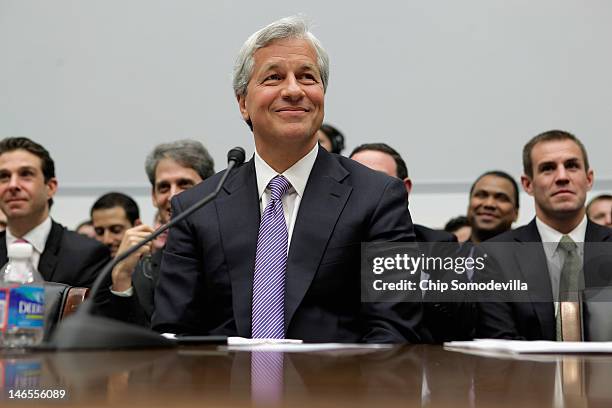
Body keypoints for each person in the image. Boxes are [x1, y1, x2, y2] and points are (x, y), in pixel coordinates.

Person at [152, 16, 422, 343]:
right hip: (223, 390)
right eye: (274, 77)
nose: (293, 90)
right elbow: (174, 332)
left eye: (307, 77)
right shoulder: (196, 207)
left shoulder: (377, 197)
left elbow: (393, 331)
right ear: (242, 103)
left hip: (339, 389)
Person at [476, 130, 612, 340]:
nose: (562, 177)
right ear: (528, 184)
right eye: (548, 169)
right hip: (526, 373)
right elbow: (502, 346)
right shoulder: (494, 256)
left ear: (589, 178)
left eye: (572, 166)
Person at [94, 139, 214, 325]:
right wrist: (122, 276)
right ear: (153, 197)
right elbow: (134, 339)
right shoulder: (145, 267)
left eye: (185, 184)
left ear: (211, 187)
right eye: (163, 187)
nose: (173, 196)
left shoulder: (235, 245)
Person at [0, 137, 110, 286]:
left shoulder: (87, 254)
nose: (13, 185)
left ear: (50, 187)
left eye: (26, 174)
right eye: (4, 177)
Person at [350, 143, 456, 243]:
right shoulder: (333, 245)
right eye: (356, 179)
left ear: (405, 189)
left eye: (378, 180)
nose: (365, 188)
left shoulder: (437, 245)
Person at [466, 171, 519, 243]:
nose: (489, 204)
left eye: (502, 198)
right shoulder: (450, 253)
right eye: (481, 195)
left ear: (516, 213)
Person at [91, 192, 141, 257]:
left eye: (116, 230)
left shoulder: (155, 263)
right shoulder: (87, 265)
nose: (107, 240)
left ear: (137, 226)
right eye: (99, 232)